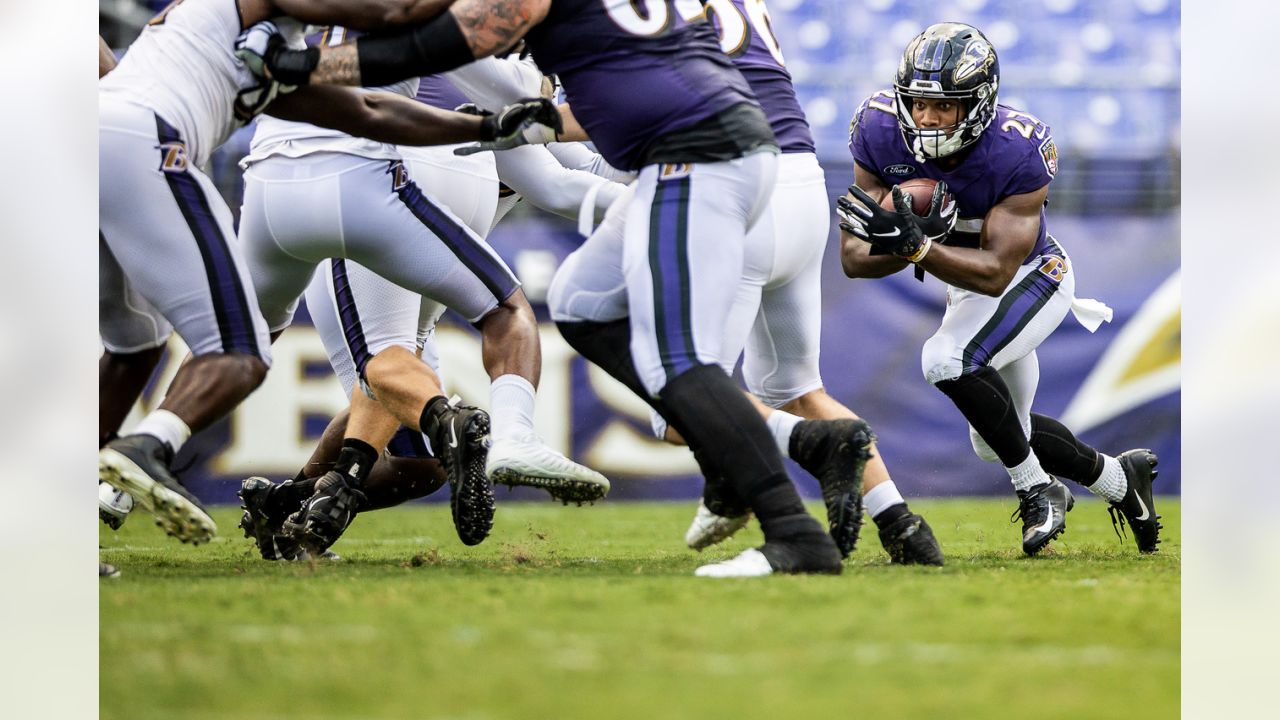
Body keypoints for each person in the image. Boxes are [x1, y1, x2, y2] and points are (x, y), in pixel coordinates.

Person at [247, 0, 851, 576]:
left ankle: (794, 524)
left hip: (695, 153)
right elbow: (582, 101)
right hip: (710, 141)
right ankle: (793, 441)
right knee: (580, 304)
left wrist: (308, 65)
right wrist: (528, 119)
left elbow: (447, 40)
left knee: (676, 363)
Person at [97, 0, 561, 545]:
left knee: (143, 347)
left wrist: (481, 121)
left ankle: (107, 486)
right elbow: (392, 22)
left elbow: (366, 107)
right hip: (226, 156)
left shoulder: (274, 50)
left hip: (196, 167)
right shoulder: (273, 31)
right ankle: (148, 447)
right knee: (246, 353)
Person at [237, 49, 626, 559]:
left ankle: (288, 502)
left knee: (420, 462)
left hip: (406, 240)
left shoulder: (503, 97)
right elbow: (559, 182)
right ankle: (400, 460)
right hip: (364, 204)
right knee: (388, 366)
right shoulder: (473, 85)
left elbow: (594, 167)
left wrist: (669, 160)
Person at [838, 22, 1161, 555]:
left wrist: (915, 247)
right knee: (995, 438)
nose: (927, 117)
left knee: (945, 359)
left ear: (981, 102)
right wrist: (892, 240)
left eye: (945, 106)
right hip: (966, 290)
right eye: (918, 103)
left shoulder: (1018, 149)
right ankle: (1123, 483)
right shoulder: (877, 128)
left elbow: (995, 270)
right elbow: (853, 260)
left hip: (1033, 278)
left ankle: (1037, 488)